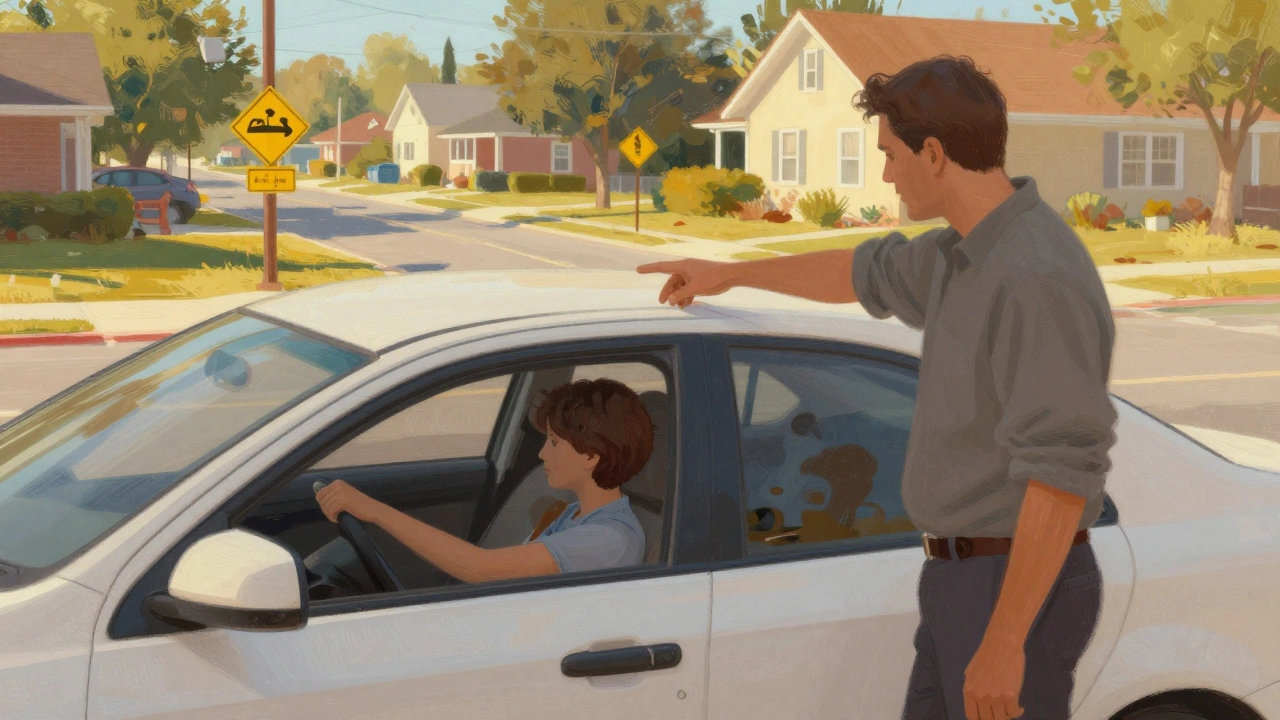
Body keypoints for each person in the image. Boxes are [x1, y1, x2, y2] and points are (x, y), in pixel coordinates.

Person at [638, 54, 1117, 720]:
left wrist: (1007, 641)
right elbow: (858, 272)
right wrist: (731, 274)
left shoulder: (1034, 276)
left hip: (1012, 588)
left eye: (890, 155)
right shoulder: (960, 254)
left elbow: (1062, 472)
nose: (885, 173)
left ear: (936, 154)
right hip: (961, 581)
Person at [312, 377, 654, 586]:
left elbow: (479, 568)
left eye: (553, 443)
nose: (541, 455)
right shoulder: (574, 514)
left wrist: (374, 511)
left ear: (591, 455)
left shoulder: (609, 539)